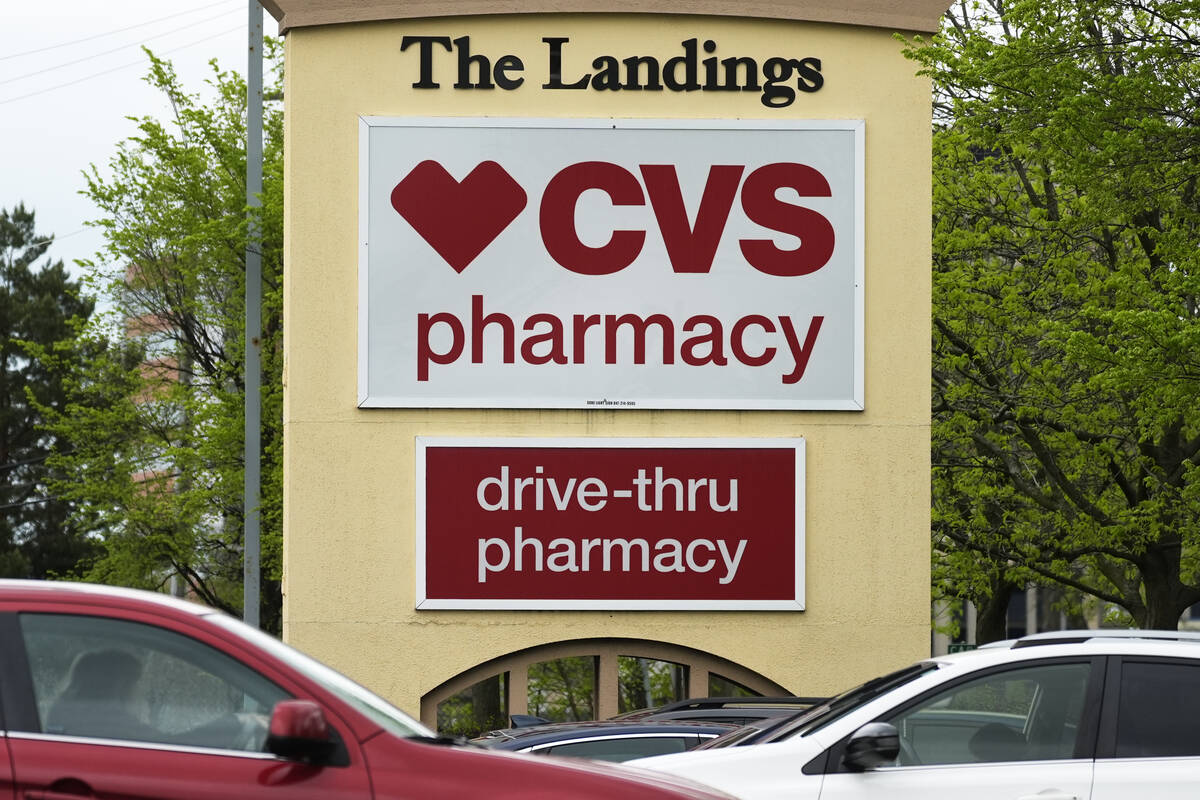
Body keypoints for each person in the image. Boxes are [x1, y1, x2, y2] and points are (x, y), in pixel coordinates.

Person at [44, 649, 161, 742]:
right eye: (135, 682)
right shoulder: (107, 717)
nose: (138, 690)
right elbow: (156, 740)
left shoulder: (63, 709)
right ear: (120, 683)